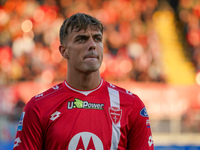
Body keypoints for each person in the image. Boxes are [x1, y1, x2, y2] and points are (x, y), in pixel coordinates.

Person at [13, 13, 154, 150]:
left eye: (98, 39)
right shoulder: (38, 107)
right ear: (63, 51)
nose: (92, 45)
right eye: (81, 39)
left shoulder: (132, 106)